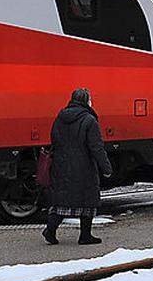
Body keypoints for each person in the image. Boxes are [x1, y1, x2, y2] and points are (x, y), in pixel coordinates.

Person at [43, 88, 113, 245]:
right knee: (87, 200)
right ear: (86, 101)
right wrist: (106, 168)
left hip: (61, 165)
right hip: (84, 166)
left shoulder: (60, 118)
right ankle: (85, 236)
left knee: (61, 200)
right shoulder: (89, 120)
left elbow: (54, 140)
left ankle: (50, 230)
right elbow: (96, 147)